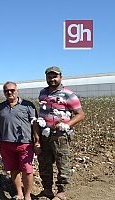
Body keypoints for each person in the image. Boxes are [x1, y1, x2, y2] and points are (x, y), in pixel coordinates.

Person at [36, 66, 85, 200]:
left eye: (54, 76)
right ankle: (47, 190)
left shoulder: (68, 94)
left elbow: (80, 114)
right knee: (44, 163)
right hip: (45, 134)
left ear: (60, 77)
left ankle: (61, 192)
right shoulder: (42, 93)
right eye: (49, 77)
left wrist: (66, 125)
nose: (52, 79)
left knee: (62, 163)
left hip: (61, 136)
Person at [0, 81, 41, 200]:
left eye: (12, 90)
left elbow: (35, 124)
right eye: (6, 91)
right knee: (13, 169)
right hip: (5, 143)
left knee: (27, 170)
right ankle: (19, 193)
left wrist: (37, 141)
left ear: (17, 91)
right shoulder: (0, 107)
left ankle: (27, 195)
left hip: (25, 143)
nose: (9, 92)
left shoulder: (28, 105)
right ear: (4, 92)